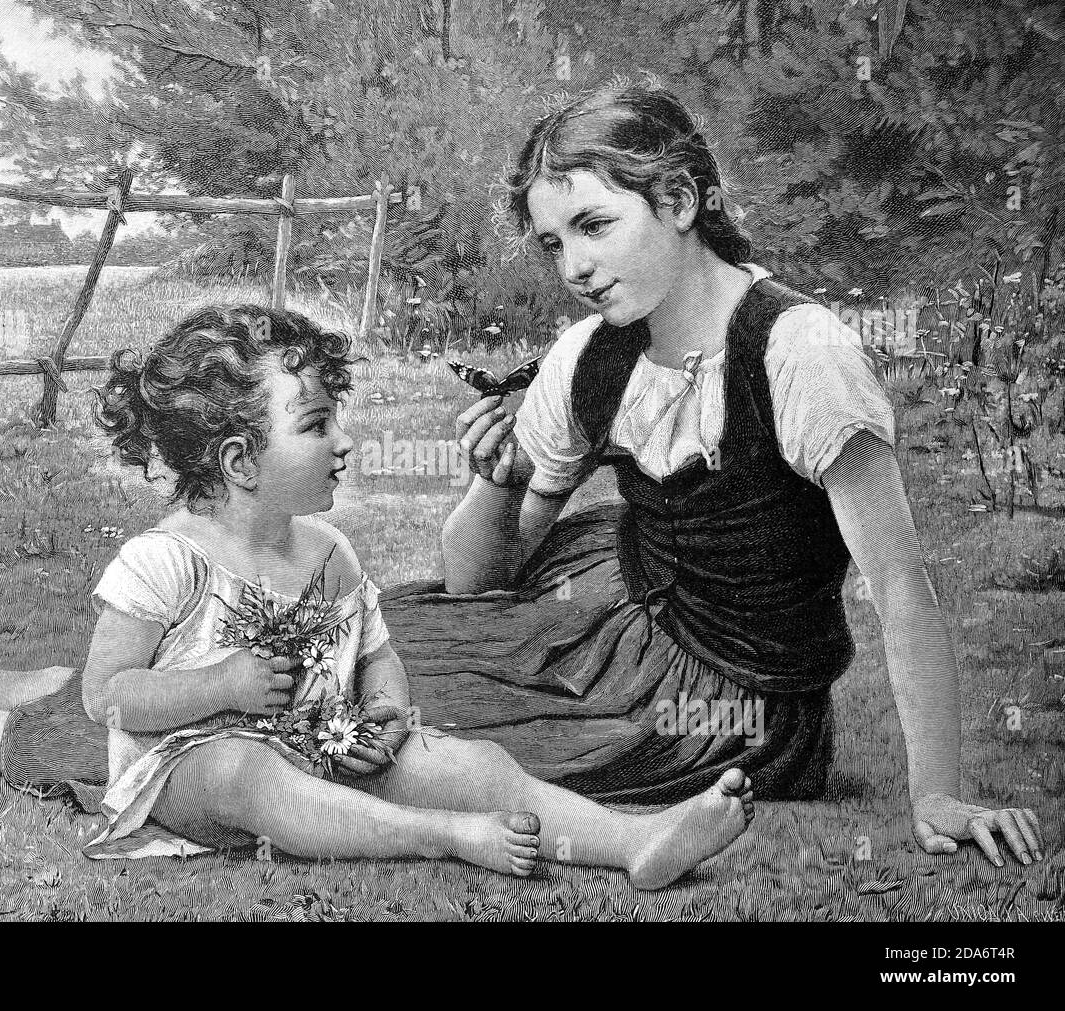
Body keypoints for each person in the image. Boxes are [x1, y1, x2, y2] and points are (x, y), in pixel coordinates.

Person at [0, 304, 756, 887]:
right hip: (193, 761)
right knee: (253, 781)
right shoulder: (162, 561)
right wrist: (217, 684)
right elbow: (112, 699)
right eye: (316, 425)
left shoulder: (329, 549)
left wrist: (387, 709)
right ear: (236, 460)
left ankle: (631, 841)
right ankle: (445, 840)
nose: (344, 441)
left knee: (471, 758)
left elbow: (379, 648)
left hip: (320, 736)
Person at [371, 74, 1041, 868]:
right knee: (368, 646)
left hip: (737, 696)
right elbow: (480, 580)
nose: (575, 267)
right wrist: (500, 477)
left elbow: (900, 585)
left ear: (682, 202)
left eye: (594, 226)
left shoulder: (799, 353)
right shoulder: (589, 358)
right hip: (605, 617)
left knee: (412, 714)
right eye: (555, 243)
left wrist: (935, 792)